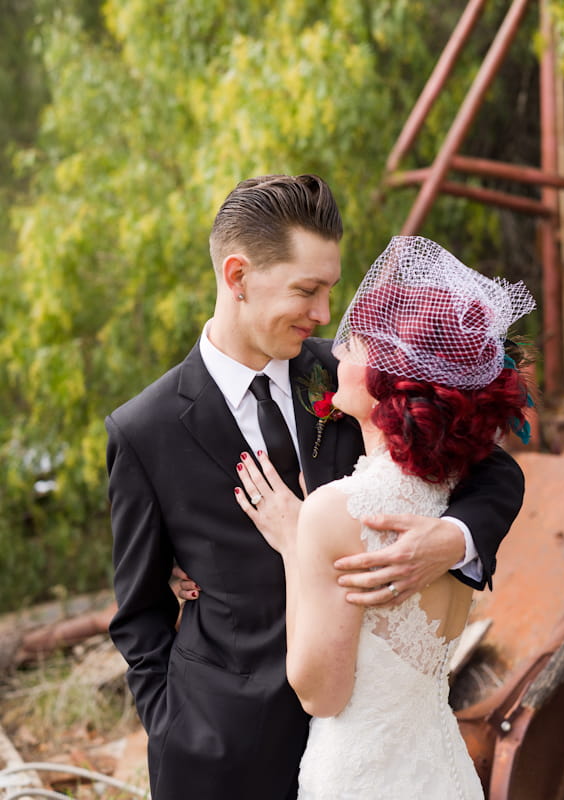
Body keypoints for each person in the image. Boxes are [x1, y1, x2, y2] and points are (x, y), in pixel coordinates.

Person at [106, 174, 525, 800]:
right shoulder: (146, 428)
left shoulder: (359, 372)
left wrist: (450, 540)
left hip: (364, 744)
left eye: (331, 289)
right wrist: (175, 724)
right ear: (238, 276)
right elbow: (138, 612)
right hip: (224, 753)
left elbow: (498, 470)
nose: (326, 314)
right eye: (307, 290)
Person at [233, 234, 536, 798]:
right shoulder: (450, 485)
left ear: (390, 382)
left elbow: (321, 694)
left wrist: (297, 545)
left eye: (358, 344)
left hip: (360, 778)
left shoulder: (333, 512)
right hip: (441, 771)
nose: (338, 349)